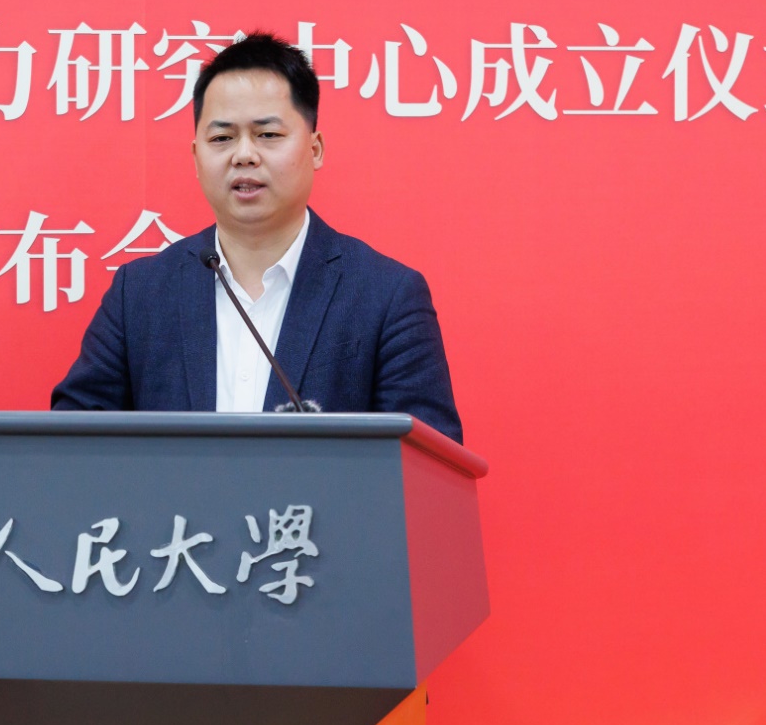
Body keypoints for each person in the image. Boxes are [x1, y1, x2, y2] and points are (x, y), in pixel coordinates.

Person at [51, 32, 463, 444]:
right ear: (196, 157)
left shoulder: (385, 296)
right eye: (222, 138)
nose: (244, 155)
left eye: (267, 135)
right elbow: (71, 446)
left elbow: (426, 465)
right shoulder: (140, 293)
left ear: (315, 149)